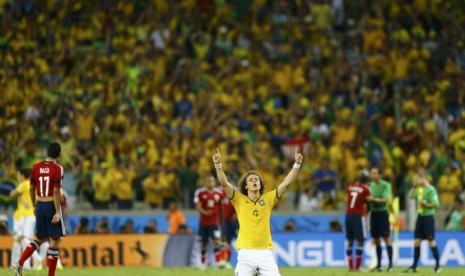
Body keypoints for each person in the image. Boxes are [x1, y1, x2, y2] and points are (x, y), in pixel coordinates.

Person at [213, 147, 303, 276]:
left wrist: (297, 164)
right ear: (246, 186)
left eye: (256, 179)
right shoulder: (239, 199)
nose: (255, 181)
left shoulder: (268, 199)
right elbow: (225, 183)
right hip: (245, 253)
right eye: (251, 180)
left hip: (265, 253)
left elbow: (286, 184)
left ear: (260, 184)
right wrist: (218, 165)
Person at [11, 142, 66, 276]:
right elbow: (56, 191)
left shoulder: (36, 167)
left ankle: (20, 263)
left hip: (40, 205)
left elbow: (31, 189)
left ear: (46, 152)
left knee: (39, 238)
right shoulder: (58, 168)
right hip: (51, 206)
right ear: (59, 154)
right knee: (55, 240)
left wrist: (35, 205)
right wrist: (58, 212)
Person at [403, 171, 441, 273]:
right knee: (416, 241)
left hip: (428, 218)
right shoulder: (419, 190)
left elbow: (436, 205)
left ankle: (437, 265)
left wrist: (426, 204)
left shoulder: (431, 190)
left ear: (423, 178)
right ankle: (414, 266)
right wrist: (414, 187)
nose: (415, 181)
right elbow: (410, 197)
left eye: (417, 179)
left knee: (431, 242)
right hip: (420, 217)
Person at [9, 168, 43, 270]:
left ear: (23, 176)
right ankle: (20, 265)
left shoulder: (23, 184)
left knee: (23, 238)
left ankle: (37, 258)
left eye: (18, 175)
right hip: (32, 214)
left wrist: (14, 193)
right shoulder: (35, 185)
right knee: (19, 239)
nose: (17, 177)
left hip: (25, 216)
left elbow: (12, 194)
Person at [194, 174, 226, 269]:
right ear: (205, 182)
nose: (210, 183)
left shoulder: (219, 193)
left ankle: (218, 263)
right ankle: (203, 264)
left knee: (216, 241)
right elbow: (198, 206)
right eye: (208, 181)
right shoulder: (199, 192)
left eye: (212, 181)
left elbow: (222, 208)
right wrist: (204, 212)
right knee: (203, 243)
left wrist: (223, 221)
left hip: (215, 223)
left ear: (214, 182)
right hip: (203, 223)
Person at [344, 170, 374, 272]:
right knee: (360, 241)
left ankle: (350, 266)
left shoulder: (350, 186)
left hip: (348, 215)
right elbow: (369, 200)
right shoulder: (366, 189)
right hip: (358, 216)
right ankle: (357, 267)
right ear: (366, 179)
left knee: (350, 241)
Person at [369, 167, 394, 272]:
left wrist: (373, 199)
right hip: (373, 214)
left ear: (379, 175)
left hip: (383, 214)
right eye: (372, 173)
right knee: (376, 239)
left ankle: (390, 264)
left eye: (374, 173)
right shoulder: (371, 186)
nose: (372, 175)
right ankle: (379, 265)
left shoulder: (386, 185)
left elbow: (385, 200)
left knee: (386, 238)